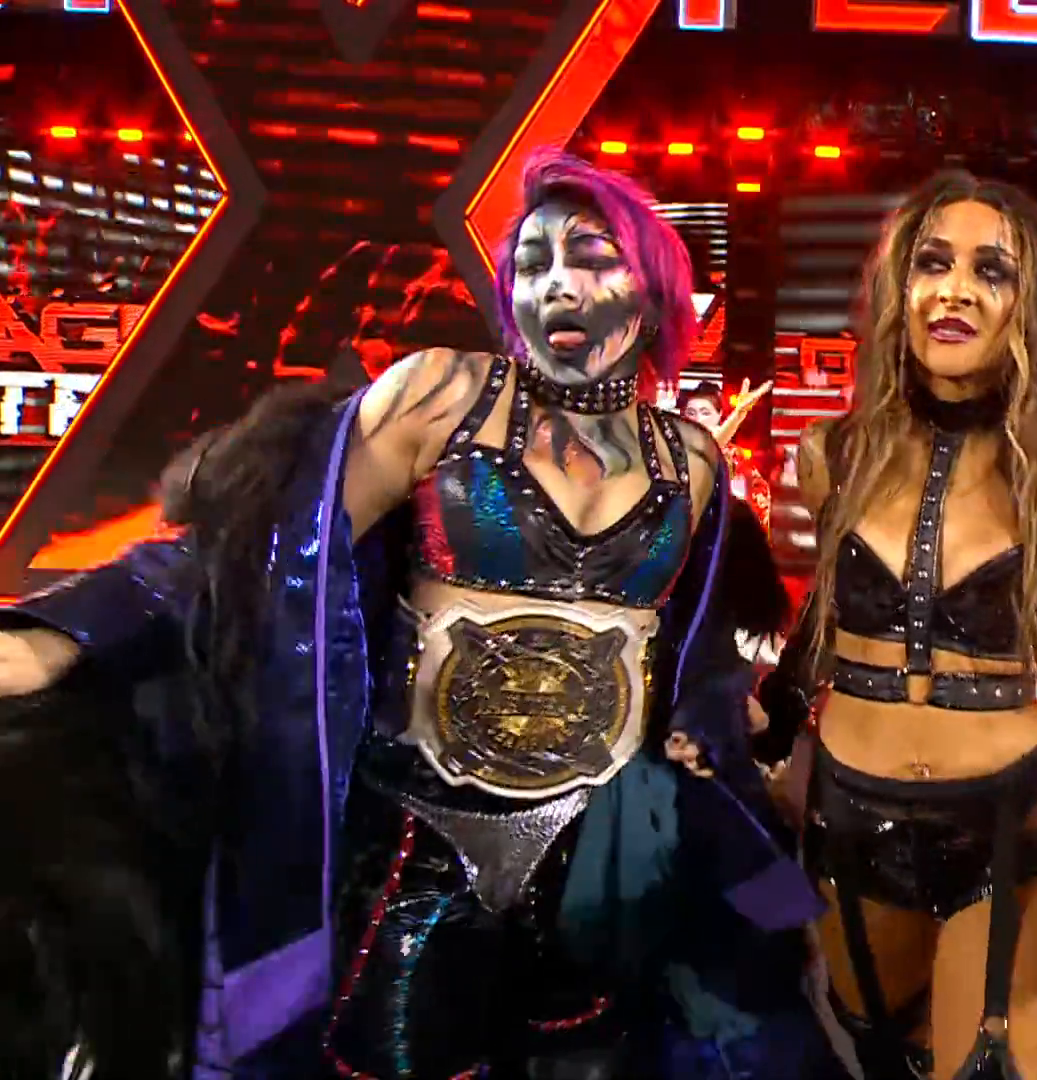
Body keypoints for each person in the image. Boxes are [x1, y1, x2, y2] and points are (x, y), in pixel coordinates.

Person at [0, 149, 841, 1080]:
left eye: (591, 256)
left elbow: (689, 648)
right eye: (532, 263)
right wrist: (69, 634)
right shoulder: (442, 395)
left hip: (601, 865)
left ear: (652, 288)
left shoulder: (693, 460)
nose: (557, 283)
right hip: (422, 846)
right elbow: (258, 545)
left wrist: (708, 726)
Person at [753, 171, 1037, 1080]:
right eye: (933, 263)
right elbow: (829, 616)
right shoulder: (833, 454)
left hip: (1004, 829)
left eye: (990, 270)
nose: (955, 289)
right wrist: (767, 723)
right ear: (901, 288)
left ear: (1028, 306)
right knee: (885, 1058)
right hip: (849, 821)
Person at [680, 379, 775, 530]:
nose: (697, 419)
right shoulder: (678, 450)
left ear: (719, 415)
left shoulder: (736, 456)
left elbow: (758, 497)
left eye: (705, 413)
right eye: (691, 413)